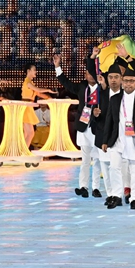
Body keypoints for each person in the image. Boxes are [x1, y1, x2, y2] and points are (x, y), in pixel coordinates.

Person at [99, 66, 135, 210]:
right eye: (125, 81)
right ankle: (117, 196)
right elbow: (109, 121)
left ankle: (134, 198)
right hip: (118, 140)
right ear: (122, 83)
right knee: (114, 167)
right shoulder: (115, 99)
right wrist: (105, 140)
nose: (128, 84)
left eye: (131, 81)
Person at [54, 52, 106, 198]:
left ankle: (96, 187)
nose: (89, 76)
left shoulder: (103, 89)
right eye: (87, 74)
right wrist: (58, 67)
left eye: (92, 73)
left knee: (96, 159)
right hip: (84, 127)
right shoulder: (82, 87)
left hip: (97, 128)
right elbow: (65, 82)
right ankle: (83, 187)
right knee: (85, 160)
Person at [20, 62, 54, 147]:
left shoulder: (30, 82)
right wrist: (48, 90)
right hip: (26, 107)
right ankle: (23, 153)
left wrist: (48, 97)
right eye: (34, 70)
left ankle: (22, 152)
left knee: (27, 133)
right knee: (30, 133)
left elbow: (38, 93)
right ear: (29, 71)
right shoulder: (27, 82)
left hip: (28, 107)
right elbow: (37, 89)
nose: (36, 72)